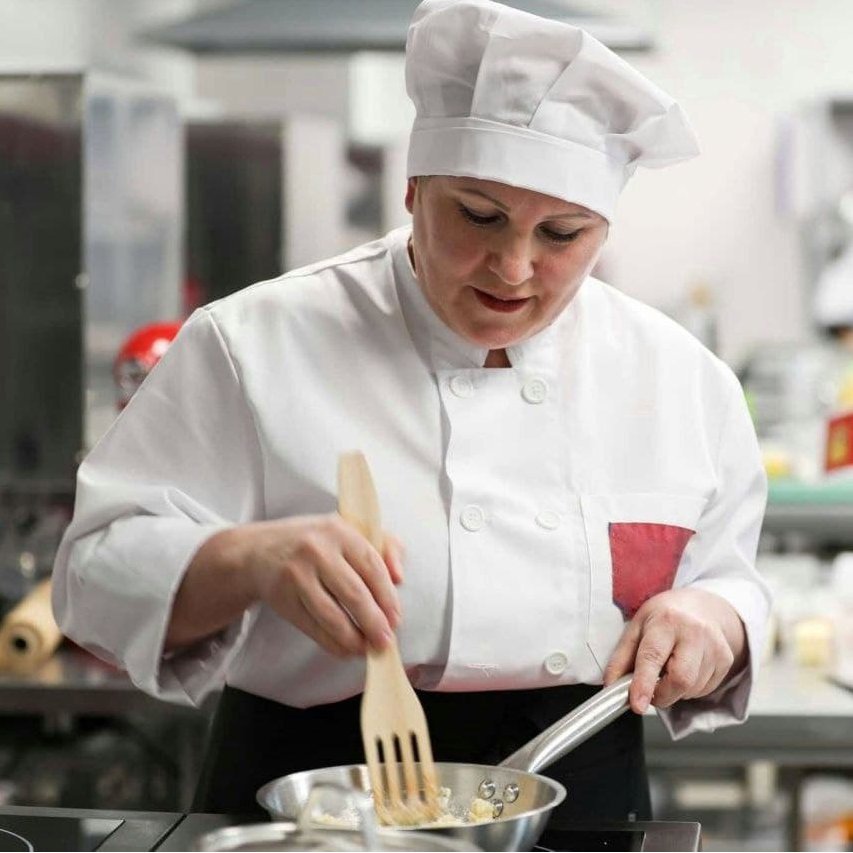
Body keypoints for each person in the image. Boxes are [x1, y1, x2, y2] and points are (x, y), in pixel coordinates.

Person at [52, 0, 771, 826]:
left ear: (603, 230)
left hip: (575, 788)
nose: (512, 266)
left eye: (561, 234)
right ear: (412, 189)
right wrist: (244, 559)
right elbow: (91, 579)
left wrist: (714, 620)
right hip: (312, 786)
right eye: (478, 215)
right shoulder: (251, 343)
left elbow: (727, 579)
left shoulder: (680, 378)